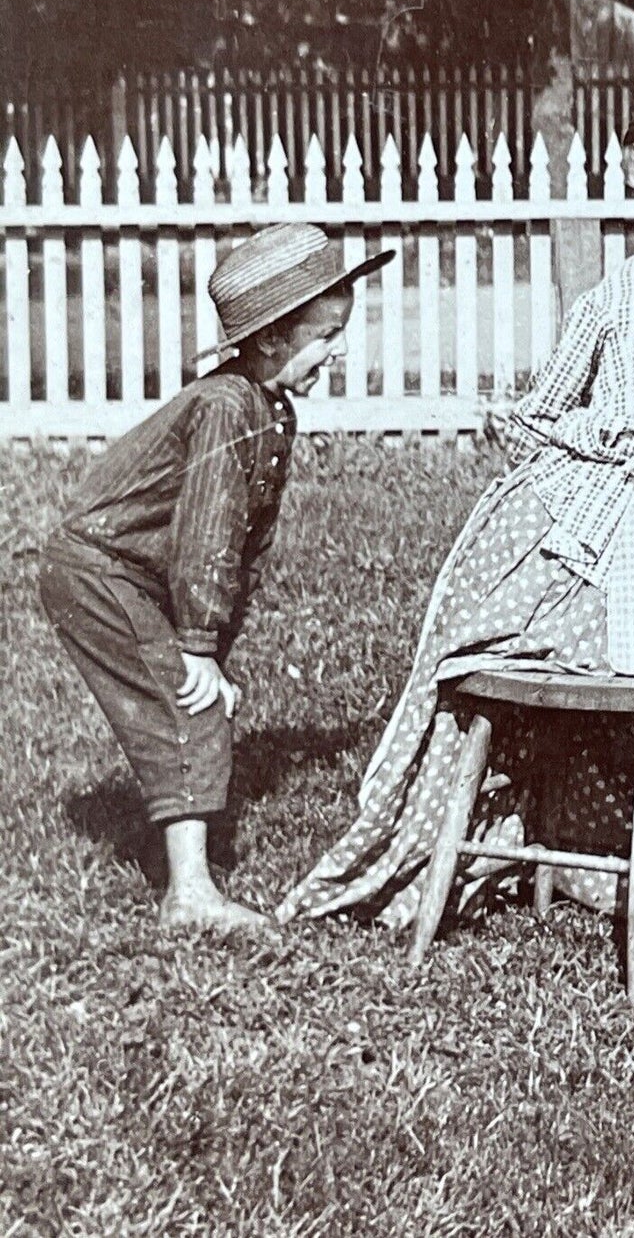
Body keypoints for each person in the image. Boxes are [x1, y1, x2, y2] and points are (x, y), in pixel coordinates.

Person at [278, 82, 634, 927]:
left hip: (620, 593)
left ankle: (405, 853)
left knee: (463, 647)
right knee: (562, 613)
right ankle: (605, 843)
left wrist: (607, 444)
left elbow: (543, 421)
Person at [38, 224, 392, 932]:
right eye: (325, 335)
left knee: (198, 696)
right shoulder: (229, 406)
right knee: (187, 706)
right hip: (96, 568)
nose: (340, 350)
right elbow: (204, 533)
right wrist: (195, 648)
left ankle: (185, 864)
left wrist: (213, 648)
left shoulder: (269, 411)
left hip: (135, 571)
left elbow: (239, 551)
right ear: (268, 341)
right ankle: (189, 894)